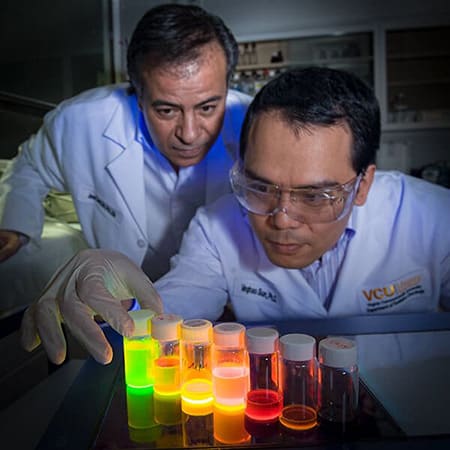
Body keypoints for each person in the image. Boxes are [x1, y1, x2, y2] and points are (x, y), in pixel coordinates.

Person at [20, 67, 450, 365]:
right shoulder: (215, 226)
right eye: (260, 186)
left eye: (315, 195)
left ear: (364, 184)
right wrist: (126, 299)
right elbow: (169, 315)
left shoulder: (433, 217)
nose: (281, 219)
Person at [0, 4, 251, 283]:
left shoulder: (253, 125)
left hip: (225, 299)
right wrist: (15, 224)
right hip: (124, 295)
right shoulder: (81, 122)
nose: (189, 134)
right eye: (166, 110)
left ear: (227, 88)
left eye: (207, 108)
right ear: (137, 93)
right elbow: (28, 168)